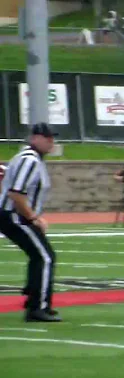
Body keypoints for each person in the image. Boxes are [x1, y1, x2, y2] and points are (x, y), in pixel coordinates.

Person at [0, 123, 60, 322]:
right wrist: (33, 218)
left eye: (52, 138)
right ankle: (37, 307)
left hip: (14, 215)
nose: (51, 142)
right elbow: (16, 193)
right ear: (35, 138)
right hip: (15, 215)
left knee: (40, 255)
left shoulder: (27, 158)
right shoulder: (30, 160)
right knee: (45, 257)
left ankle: (34, 298)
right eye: (47, 138)